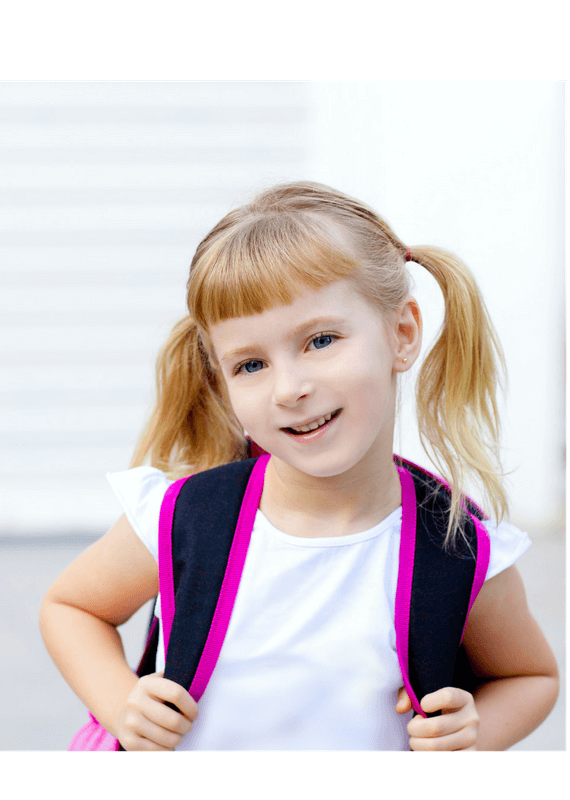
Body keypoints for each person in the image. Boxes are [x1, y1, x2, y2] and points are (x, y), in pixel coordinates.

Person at [40, 181, 559, 751]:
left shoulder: (455, 546)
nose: (289, 388)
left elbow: (529, 677)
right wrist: (120, 705)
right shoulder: (183, 518)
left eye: (321, 340)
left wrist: (474, 732)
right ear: (223, 383)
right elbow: (71, 608)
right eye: (251, 364)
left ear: (402, 335)